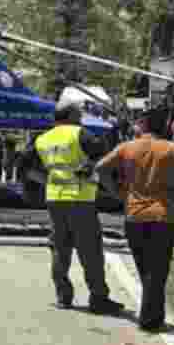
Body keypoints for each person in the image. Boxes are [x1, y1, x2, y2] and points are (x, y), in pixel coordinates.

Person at [95, 105, 174, 332]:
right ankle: (150, 319)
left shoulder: (127, 147)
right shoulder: (173, 148)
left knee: (146, 270)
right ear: (164, 126)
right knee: (158, 271)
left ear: (143, 125)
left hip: (134, 216)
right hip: (163, 216)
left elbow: (100, 168)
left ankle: (153, 316)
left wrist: (118, 194)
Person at [21, 98, 124, 314]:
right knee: (90, 250)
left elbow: (24, 166)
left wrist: (47, 179)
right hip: (80, 199)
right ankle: (98, 298)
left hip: (54, 200)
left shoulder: (42, 138)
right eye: (78, 113)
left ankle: (63, 297)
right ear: (70, 116)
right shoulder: (79, 134)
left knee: (60, 248)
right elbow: (104, 157)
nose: (81, 117)